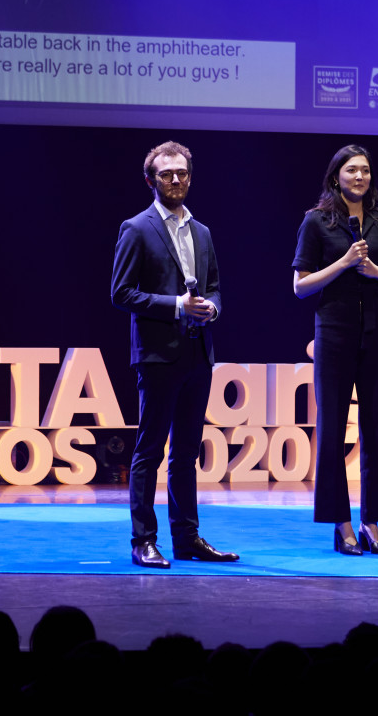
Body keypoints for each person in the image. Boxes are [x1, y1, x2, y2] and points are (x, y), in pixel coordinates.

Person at [111, 141, 239, 568]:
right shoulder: (136, 228)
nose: (176, 180)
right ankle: (143, 540)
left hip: (197, 352)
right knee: (149, 450)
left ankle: (187, 538)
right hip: (157, 355)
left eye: (182, 173)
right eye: (167, 174)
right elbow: (121, 293)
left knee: (186, 452)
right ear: (151, 180)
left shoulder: (201, 232)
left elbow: (216, 285)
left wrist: (212, 308)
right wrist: (176, 306)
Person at [292, 144, 378, 555]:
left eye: (365, 171)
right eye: (351, 170)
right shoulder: (317, 222)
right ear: (335, 176)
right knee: (332, 430)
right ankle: (340, 525)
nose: (359, 177)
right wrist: (342, 263)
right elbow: (300, 286)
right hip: (335, 335)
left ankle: (371, 523)